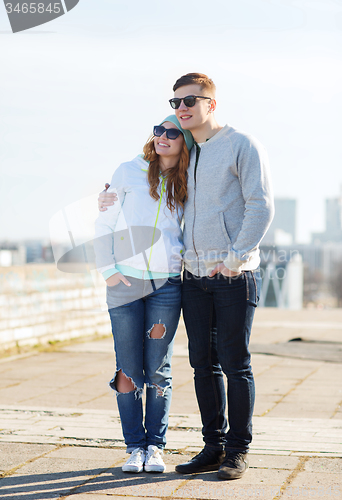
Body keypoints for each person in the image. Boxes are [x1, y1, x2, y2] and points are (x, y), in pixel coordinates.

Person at [98, 73, 274, 480]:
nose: (182, 108)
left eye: (191, 101)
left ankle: (236, 451)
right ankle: (212, 446)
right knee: (201, 364)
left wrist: (234, 258)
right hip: (192, 276)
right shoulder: (189, 153)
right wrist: (107, 196)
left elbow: (260, 207)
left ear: (211, 103)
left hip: (232, 274)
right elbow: (141, 189)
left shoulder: (241, 145)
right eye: (176, 102)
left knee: (235, 363)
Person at [95, 115, 193, 474]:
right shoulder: (128, 171)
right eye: (158, 130)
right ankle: (134, 446)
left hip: (166, 285)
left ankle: (156, 446)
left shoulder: (188, 177)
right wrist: (108, 270)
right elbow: (104, 221)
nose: (163, 137)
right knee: (127, 369)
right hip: (125, 284)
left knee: (158, 370)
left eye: (173, 133)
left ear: (185, 143)